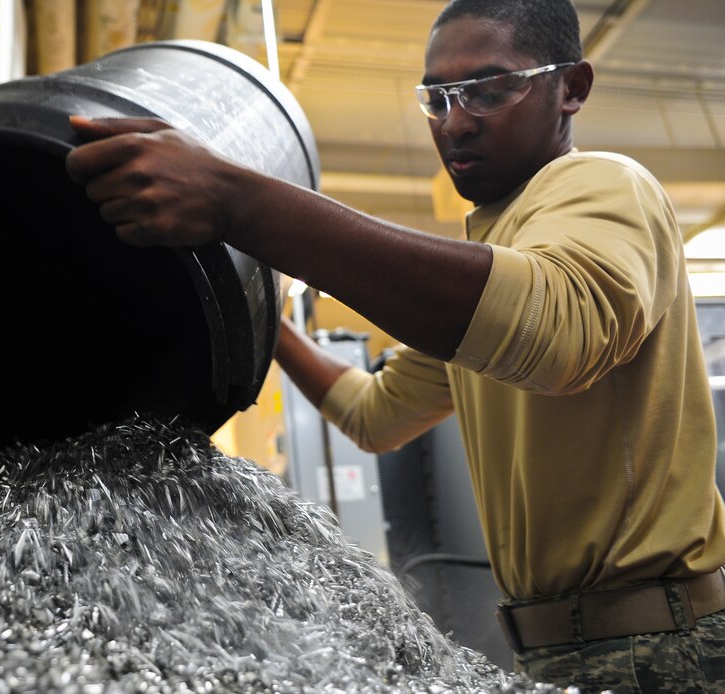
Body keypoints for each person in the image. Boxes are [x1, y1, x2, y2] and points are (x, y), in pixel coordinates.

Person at [65, 0, 725, 689]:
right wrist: (256, 305)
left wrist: (242, 203)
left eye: (489, 89)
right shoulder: (491, 269)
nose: (456, 121)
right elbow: (374, 415)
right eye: (437, 99)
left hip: (658, 645)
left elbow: (559, 331)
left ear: (572, 88)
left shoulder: (608, 186)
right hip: (562, 649)